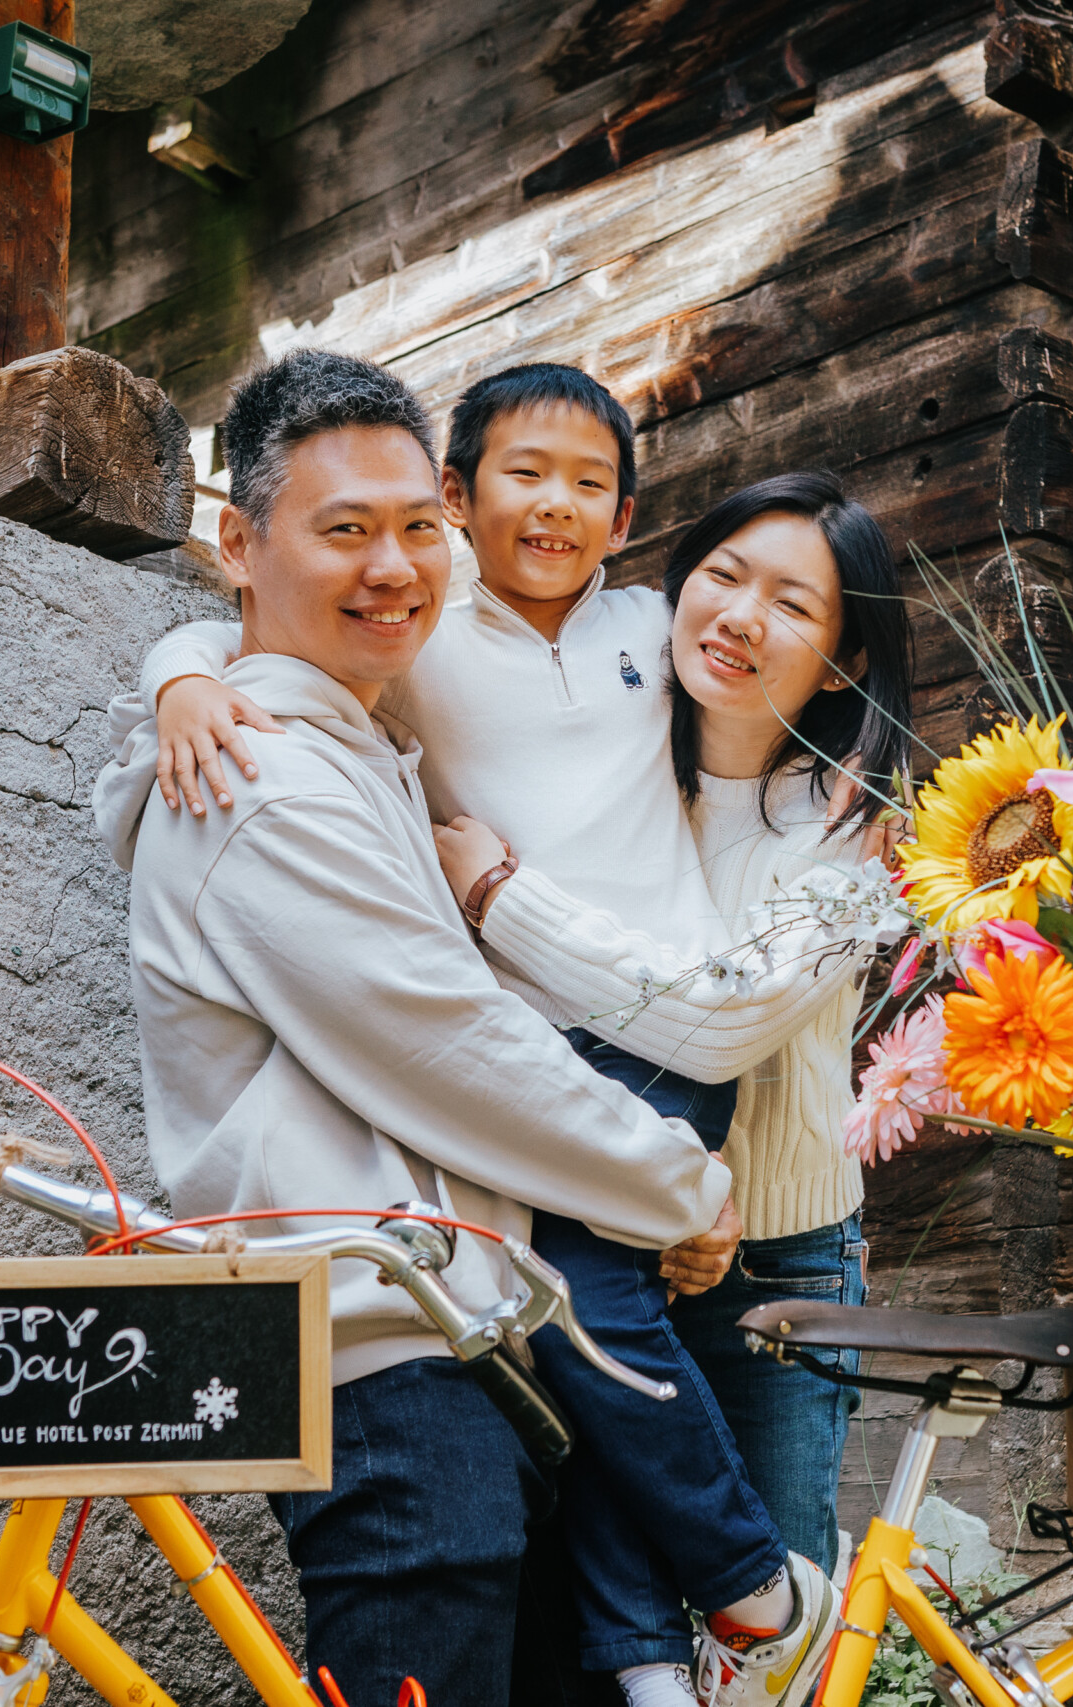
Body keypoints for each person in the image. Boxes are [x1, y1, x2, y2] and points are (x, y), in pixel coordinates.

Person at [121, 364, 843, 1707]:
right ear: (239, 540)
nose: (393, 565)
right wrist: (673, 1179)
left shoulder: (359, 734)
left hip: (450, 1325)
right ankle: (756, 1593)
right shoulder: (261, 777)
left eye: (412, 531)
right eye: (345, 529)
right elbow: (447, 1042)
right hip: (377, 1353)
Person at [440, 471, 910, 1617]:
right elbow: (382, 578)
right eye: (724, 576)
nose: (743, 617)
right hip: (596, 1225)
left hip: (774, 1266)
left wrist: (502, 895)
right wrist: (189, 668)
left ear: (845, 659)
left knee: (768, 1622)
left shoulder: (863, 833)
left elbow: (717, 1023)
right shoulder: (608, 733)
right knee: (614, 1625)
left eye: (794, 606)